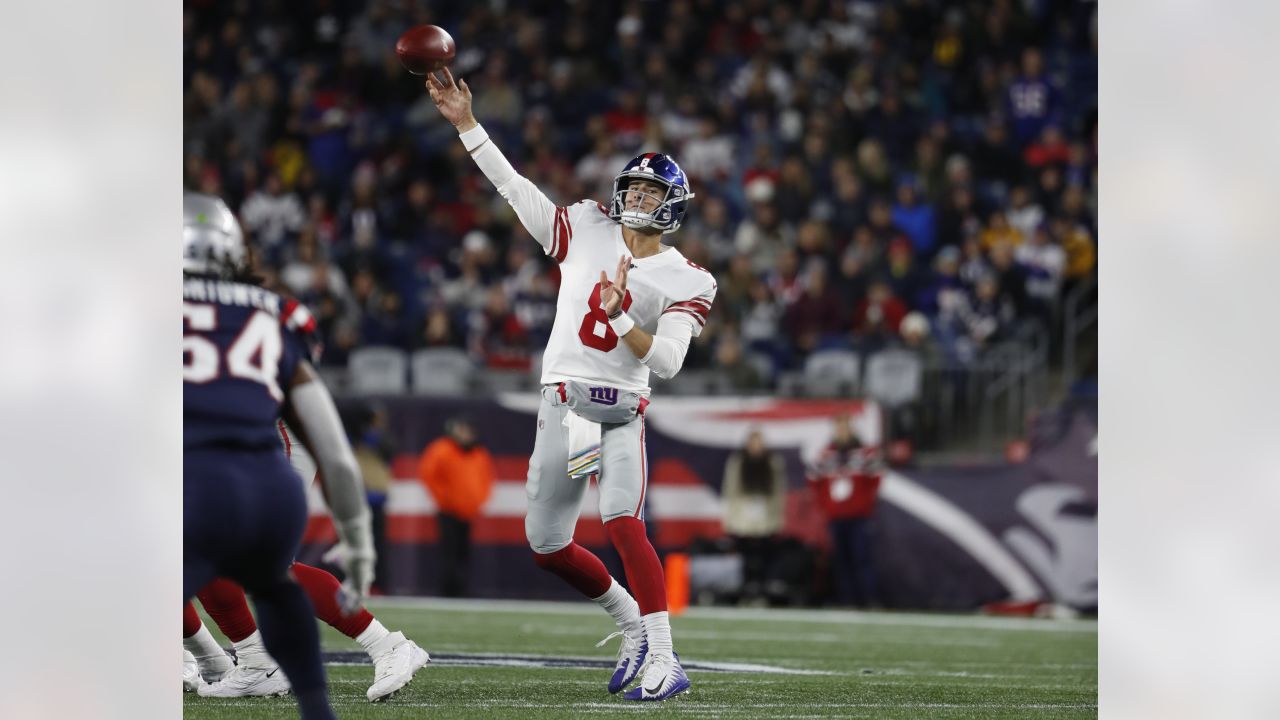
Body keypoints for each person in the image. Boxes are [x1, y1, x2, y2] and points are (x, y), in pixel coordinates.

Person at [425, 68, 715, 701]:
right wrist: (468, 126)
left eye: (648, 192)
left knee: (623, 521)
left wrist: (622, 318)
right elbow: (514, 189)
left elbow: (665, 362)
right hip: (566, 408)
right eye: (631, 188)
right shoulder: (585, 226)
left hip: (621, 412)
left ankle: (667, 658)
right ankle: (628, 620)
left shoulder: (689, 278)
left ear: (672, 206)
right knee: (546, 545)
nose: (636, 199)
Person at [183, 192, 375, 720]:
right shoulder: (277, 313)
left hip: (198, 480)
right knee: (274, 582)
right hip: (270, 486)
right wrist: (358, 539)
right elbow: (331, 446)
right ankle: (315, 707)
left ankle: (210, 661)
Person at [807, 415, 885, 608]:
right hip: (835, 516)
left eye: (845, 427)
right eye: (838, 428)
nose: (842, 432)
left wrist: (864, 504)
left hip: (859, 516)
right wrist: (826, 506)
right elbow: (813, 480)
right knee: (840, 561)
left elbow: (876, 480)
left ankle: (869, 600)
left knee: (861, 558)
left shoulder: (865, 453)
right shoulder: (825, 454)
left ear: (852, 429)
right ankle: (846, 601)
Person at [417, 417, 496, 597]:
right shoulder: (442, 450)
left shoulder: (478, 454)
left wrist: (478, 501)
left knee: (463, 553)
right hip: (448, 511)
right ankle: (449, 590)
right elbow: (429, 475)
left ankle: (462, 588)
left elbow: (486, 480)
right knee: (449, 553)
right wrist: (445, 499)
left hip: (468, 513)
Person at [720, 430, 787, 603]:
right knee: (744, 558)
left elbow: (778, 492)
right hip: (743, 516)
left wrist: (777, 518)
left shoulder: (772, 463)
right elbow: (730, 490)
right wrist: (730, 518)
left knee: (765, 557)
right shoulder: (738, 462)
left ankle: (762, 592)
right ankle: (745, 591)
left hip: (765, 516)